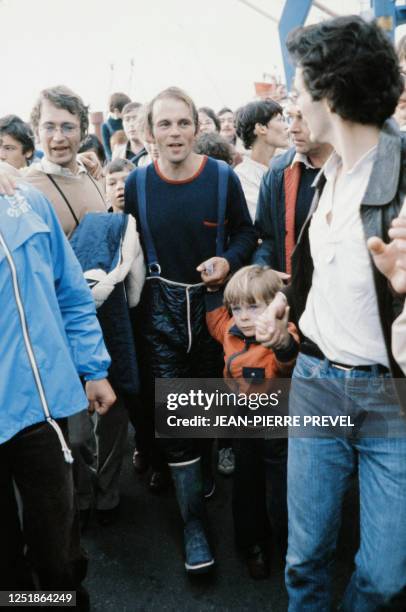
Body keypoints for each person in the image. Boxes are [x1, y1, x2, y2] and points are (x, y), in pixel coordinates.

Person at [257, 16, 406, 611]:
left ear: (331, 90)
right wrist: (285, 300)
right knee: (306, 557)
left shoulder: (401, 179)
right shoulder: (327, 174)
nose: (292, 102)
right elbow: (322, 268)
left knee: (386, 576)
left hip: (388, 399)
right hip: (318, 383)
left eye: (299, 86)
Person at [125, 86, 257, 573]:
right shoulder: (137, 184)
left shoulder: (223, 177)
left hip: (213, 310)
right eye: (165, 124)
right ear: (149, 131)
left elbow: (247, 232)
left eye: (183, 123)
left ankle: (198, 472)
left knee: (210, 401)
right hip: (158, 309)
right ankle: (194, 527)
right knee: (176, 414)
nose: (175, 133)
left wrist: (230, 258)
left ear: (197, 127)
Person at [0, 181, 115, 607]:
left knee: (57, 553)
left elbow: (71, 292)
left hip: (39, 407)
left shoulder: (26, 202)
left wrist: (93, 367)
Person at [206, 265, 298, 580]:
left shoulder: (280, 333)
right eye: (237, 308)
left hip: (279, 422)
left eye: (254, 307)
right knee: (247, 484)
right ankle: (253, 544)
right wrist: (210, 292)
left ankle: (290, 547)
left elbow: (288, 363)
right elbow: (216, 321)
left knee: (281, 487)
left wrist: (282, 341)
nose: (243, 316)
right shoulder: (231, 330)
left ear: (276, 306)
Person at [254, 96, 332, 272]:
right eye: (290, 118)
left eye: (303, 118)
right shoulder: (277, 173)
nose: (292, 129)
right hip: (297, 293)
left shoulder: (357, 168)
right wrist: (264, 269)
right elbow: (267, 238)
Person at [234, 99, 289, 221]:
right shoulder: (243, 175)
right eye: (280, 120)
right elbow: (262, 218)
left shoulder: (291, 161)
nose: (287, 127)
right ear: (261, 128)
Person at [101, 91, 131, 160]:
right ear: (117, 111)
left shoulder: (127, 122)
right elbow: (107, 148)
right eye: (125, 111)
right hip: (116, 158)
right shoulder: (106, 126)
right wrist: (113, 161)